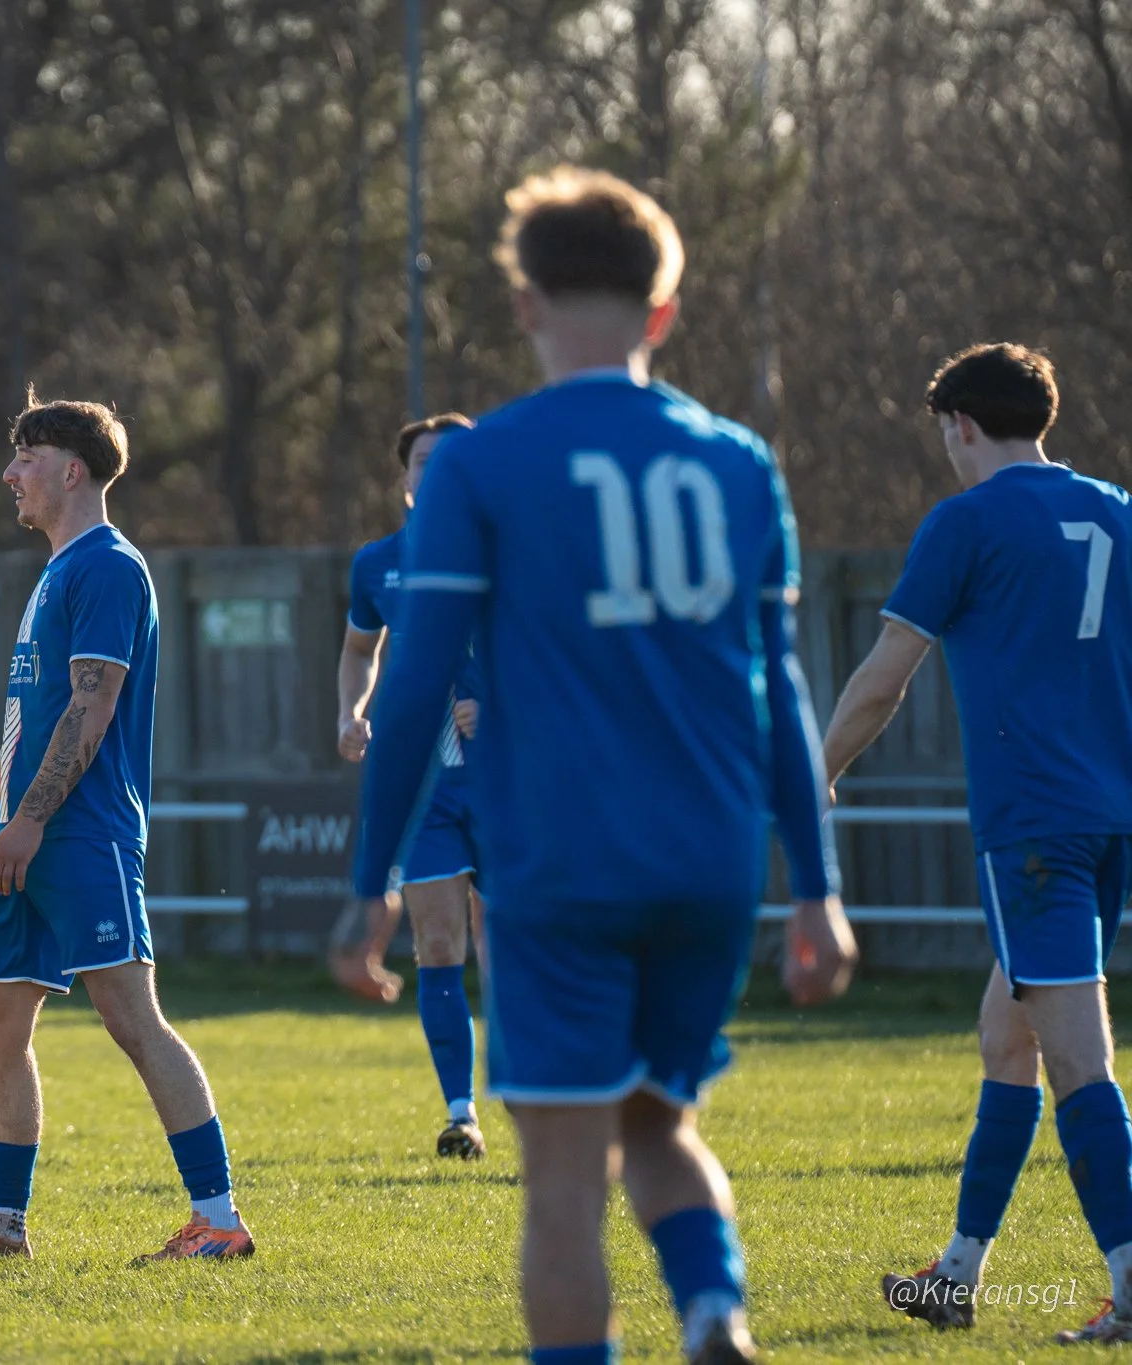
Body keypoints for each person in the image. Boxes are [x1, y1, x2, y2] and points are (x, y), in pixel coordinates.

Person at [354, 167, 854, 1365]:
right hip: (705, 858)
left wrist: (368, 882)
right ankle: (712, 1307)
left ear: (523, 303)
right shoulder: (736, 461)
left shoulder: (479, 465)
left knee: (566, 1174)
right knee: (658, 1123)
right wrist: (816, 889)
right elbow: (778, 688)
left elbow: (411, 690)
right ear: (663, 311)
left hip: (560, 860)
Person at [823, 343, 1132, 1345]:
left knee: (1078, 1059)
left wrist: (815, 771)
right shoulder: (1115, 512)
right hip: (1107, 820)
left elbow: (884, 678)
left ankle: (1131, 1283)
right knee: (1008, 1034)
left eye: (944, 436)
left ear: (960, 425)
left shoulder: (965, 521)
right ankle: (955, 1276)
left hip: (1035, 827)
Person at [0, 391, 253, 1263]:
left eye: (25, 457)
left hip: (80, 832)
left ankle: (219, 1219)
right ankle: (1, 1228)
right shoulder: (57, 570)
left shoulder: (107, 566)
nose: (10, 473)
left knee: (132, 1017)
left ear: (72, 471)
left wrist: (30, 819)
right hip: (23, 834)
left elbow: (91, 708)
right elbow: (37, 710)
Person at [333, 411, 488, 1159]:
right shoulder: (378, 564)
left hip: (510, 783)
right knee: (437, 941)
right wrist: (350, 711)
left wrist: (502, 703)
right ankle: (462, 1114)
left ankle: (547, 1110)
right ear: (406, 481)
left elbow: (563, 656)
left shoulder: (518, 554)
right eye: (426, 459)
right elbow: (359, 650)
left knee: (513, 947)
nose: (440, 469)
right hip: (428, 788)